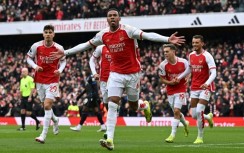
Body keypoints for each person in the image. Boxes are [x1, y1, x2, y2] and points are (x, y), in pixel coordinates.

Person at [50, 8, 185, 150]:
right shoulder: (103, 35)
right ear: (107, 20)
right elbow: (85, 45)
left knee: (133, 106)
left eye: (115, 15)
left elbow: (147, 35)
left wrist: (167, 39)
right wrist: (65, 52)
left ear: (119, 18)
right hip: (115, 74)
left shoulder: (128, 30)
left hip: (133, 74)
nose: (112, 18)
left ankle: (143, 106)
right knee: (112, 103)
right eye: (110, 16)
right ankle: (110, 139)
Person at [26, 24, 66, 144]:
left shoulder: (59, 48)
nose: (48, 34)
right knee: (45, 105)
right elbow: (28, 58)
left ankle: (43, 135)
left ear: (53, 34)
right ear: (43, 34)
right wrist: (35, 66)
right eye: (46, 32)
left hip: (53, 79)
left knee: (47, 105)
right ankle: (55, 119)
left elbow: (63, 61)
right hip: (40, 80)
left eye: (50, 32)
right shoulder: (36, 46)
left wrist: (60, 70)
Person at [177, 35, 216, 144]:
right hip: (194, 87)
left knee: (199, 111)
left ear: (202, 43)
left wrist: (207, 83)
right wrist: (179, 77)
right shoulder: (191, 55)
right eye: (193, 42)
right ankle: (208, 117)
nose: (194, 44)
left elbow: (214, 73)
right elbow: (189, 69)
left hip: (205, 87)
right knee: (194, 114)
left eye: (197, 42)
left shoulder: (207, 56)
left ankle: (200, 137)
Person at [158, 44, 189, 143]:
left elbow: (190, 71)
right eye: (164, 52)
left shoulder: (183, 62)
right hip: (170, 90)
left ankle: (172, 135)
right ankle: (185, 124)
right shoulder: (163, 65)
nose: (165, 53)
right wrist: (170, 82)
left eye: (167, 51)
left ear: (173, 51)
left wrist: (188, 78)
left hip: (181, 89)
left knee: (176, 111)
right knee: (177, 113)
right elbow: (162, 79)